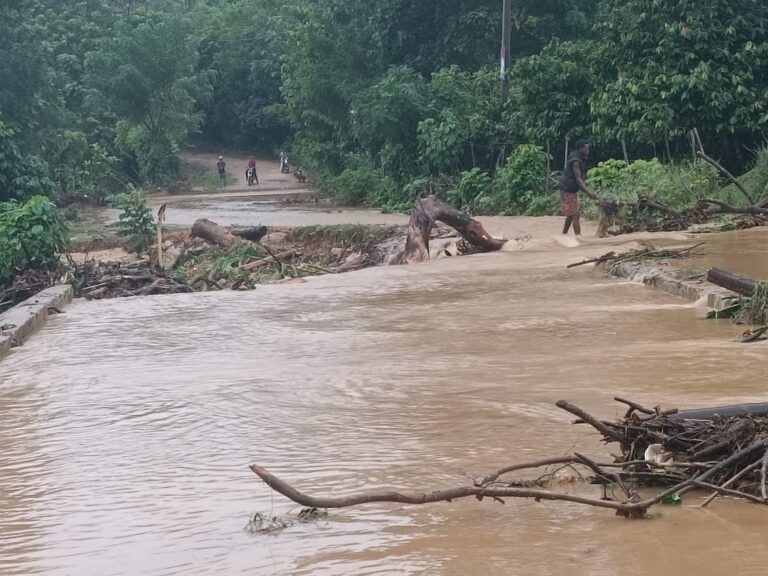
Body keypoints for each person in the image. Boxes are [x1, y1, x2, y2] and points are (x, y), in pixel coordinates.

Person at [558, 140, 597, 236]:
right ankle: (579, 238)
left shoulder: (575, 156)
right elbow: (579, 180)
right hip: (568, 189)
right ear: (581, 149)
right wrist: (589, 193)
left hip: (567, 188)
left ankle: (563, 235)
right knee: (575, 214)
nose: (588, 151)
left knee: (571, 215)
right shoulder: (576, 161)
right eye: (586, 149)